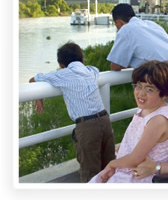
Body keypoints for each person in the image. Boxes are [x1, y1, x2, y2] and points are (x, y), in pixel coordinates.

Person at [29, 41, 115, 182]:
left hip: (87, 126)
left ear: (61, 64)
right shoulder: (91, 70)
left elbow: (33, 79)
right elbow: (93, 69)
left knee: (90, 171)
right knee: (110, 166)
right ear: (82, 59)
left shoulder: (62, 74)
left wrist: (38, 98)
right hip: (105, 120)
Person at [88, 60, 168, 183]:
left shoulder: (158, 120)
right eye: (138, 86)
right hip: (127, 169)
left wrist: (112, 164)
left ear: (164, 93)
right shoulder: (146, 109)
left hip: (139, 176)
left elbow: (135, 159)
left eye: (149, 89)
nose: (141, 93)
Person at [107, 3, 168, 71]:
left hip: (165, 73)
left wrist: (129, 62)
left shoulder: (126, 30)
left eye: (115, 24)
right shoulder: (151, 24)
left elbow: (116, 66)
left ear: (119, 22)